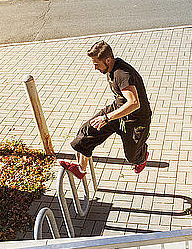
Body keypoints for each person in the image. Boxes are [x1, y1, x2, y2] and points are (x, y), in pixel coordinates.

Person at [59, 40, 152, 179]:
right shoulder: (111, 68)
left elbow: (134, 103)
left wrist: (107, 118)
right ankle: (81, 169)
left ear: (108, 60)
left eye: (97, 64)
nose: (95, 68)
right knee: (88, 129)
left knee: (132, 157)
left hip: (136, 120)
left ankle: (142, 155)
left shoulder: (122, 74)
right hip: (118, 110)